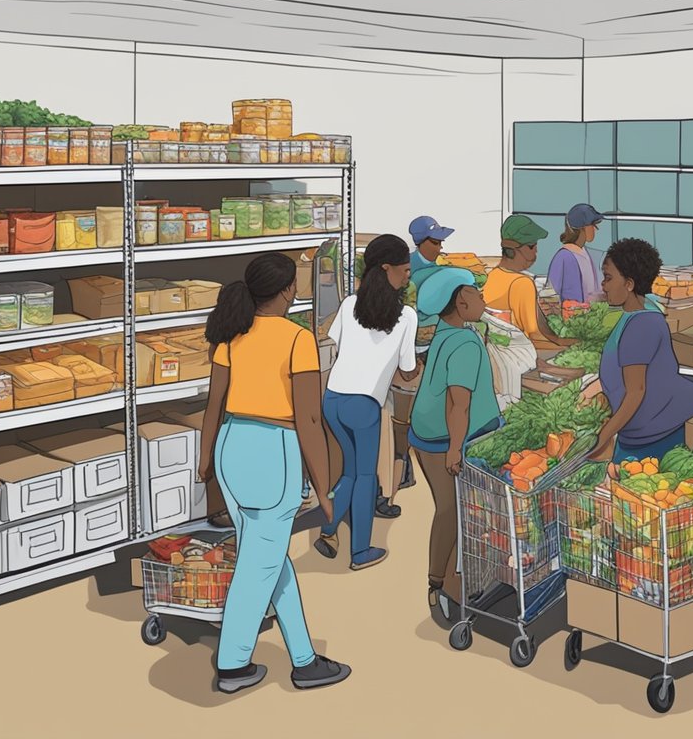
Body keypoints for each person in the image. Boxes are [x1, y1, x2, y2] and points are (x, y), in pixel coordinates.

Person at [199, 253, 349, 694]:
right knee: (256, 566)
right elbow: (308, 419)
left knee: (268, 558)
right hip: (273, 452)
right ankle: (232, 665)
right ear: (287, 290)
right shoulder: (296, 339)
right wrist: (323, 487)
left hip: (232, 446)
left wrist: (205, 461)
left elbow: (214, 404)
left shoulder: (232, 335)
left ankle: (303, 659)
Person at [314, 235, 418, 569]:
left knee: (348, 472)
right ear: (386, 268)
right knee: (365, 478)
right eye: (404, 270)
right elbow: (406, 371)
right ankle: (360, 551)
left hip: (333, 399)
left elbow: (336, 346)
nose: (408, 276)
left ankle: (328, 531)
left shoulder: (348, 305)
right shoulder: (406, 317)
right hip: (364, 407)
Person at [408, 267, 501, 618]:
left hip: (426, 434)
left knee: (449, 509)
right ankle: (446, 585)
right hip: (445, 438)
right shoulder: (465, 343)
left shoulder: (448, 333)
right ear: (461, 302)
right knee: (455, 512)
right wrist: (456, 448)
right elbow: (457, 402)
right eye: (476, 293)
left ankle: (441, 580)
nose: (482, 298)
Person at [587, 238, 693, 464]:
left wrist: (602, 437)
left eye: (608, 278)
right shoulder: (635, 314)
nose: (603, 285)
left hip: (655, 435)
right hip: (638, 430)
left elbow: (636, 392)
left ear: (629, 284)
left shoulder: (641, 326)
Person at [483, 214, 576, 348]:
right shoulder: (522, 283)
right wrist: (569, 345)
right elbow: (534, 334)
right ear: (515, 249)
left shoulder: (494, 275)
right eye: (532, 246)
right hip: (516, 352)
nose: (536, 250)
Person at [548, 203, 605, 308]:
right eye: (592, 225)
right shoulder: (563, 257)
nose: (595, 229)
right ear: (580, 228)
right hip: (570, 318)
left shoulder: (588, 254)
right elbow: (551, 295)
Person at [409, 215, 455, 328]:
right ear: (420, 242)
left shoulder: (438, 266)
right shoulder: (406, 265)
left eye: (440, 243)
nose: (439, 248)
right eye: (435, 243)